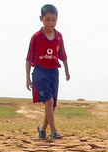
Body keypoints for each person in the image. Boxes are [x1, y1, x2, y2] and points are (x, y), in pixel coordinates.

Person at [26, 4, 70, 140]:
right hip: (40, 72)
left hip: (53, 72)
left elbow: (63, 55)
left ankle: (42, 128)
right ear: (41, 19)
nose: (51, 23)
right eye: (48, 19)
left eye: (53, 20)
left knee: (52, 105)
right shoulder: (36, 37)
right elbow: (28, 58)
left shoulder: (58, 37)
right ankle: (54, 131)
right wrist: (28, 78)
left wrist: (67, 71)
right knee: (49, 101)